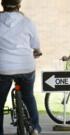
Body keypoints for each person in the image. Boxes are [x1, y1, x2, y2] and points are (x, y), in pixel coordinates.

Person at [0, 0, 42, 134]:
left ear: (2, 5)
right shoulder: (27, 22)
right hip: (26, 66)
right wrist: (37, 51)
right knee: (28, 96)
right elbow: (35, 45)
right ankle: (35, 127)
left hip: (3, 67)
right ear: (19, 6)